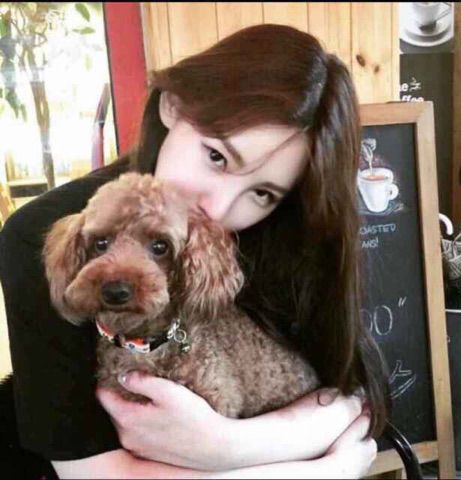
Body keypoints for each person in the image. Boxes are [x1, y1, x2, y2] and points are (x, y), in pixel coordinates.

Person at [0, 24, 389, 478]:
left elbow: (358, 392)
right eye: (217, 156)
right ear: (172, 105)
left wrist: (226, 446)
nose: (218, 208)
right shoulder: (41, 234)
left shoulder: (278, 233)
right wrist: (320, 472)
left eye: (262, 193)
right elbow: (88, 472)